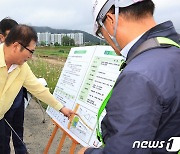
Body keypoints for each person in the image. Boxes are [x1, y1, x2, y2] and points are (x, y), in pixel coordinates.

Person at [79, 0, 180, 153]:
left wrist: (86, 152)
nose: (105, 39)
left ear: (111, 19)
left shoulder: (138, 76)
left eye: (100, 32)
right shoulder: (172, 51)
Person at [0, 24, 75, 154]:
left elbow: (38, 89)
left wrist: (61, 108)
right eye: (31, 51)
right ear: (16, 46)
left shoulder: (22, 68)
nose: (31, 57)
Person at [0, 17, 29, 154]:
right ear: (2, 37)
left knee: (19, 131)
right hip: (3, 107)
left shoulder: (20, 57)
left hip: (18, 99)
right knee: (3, 138)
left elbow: (32, 82)